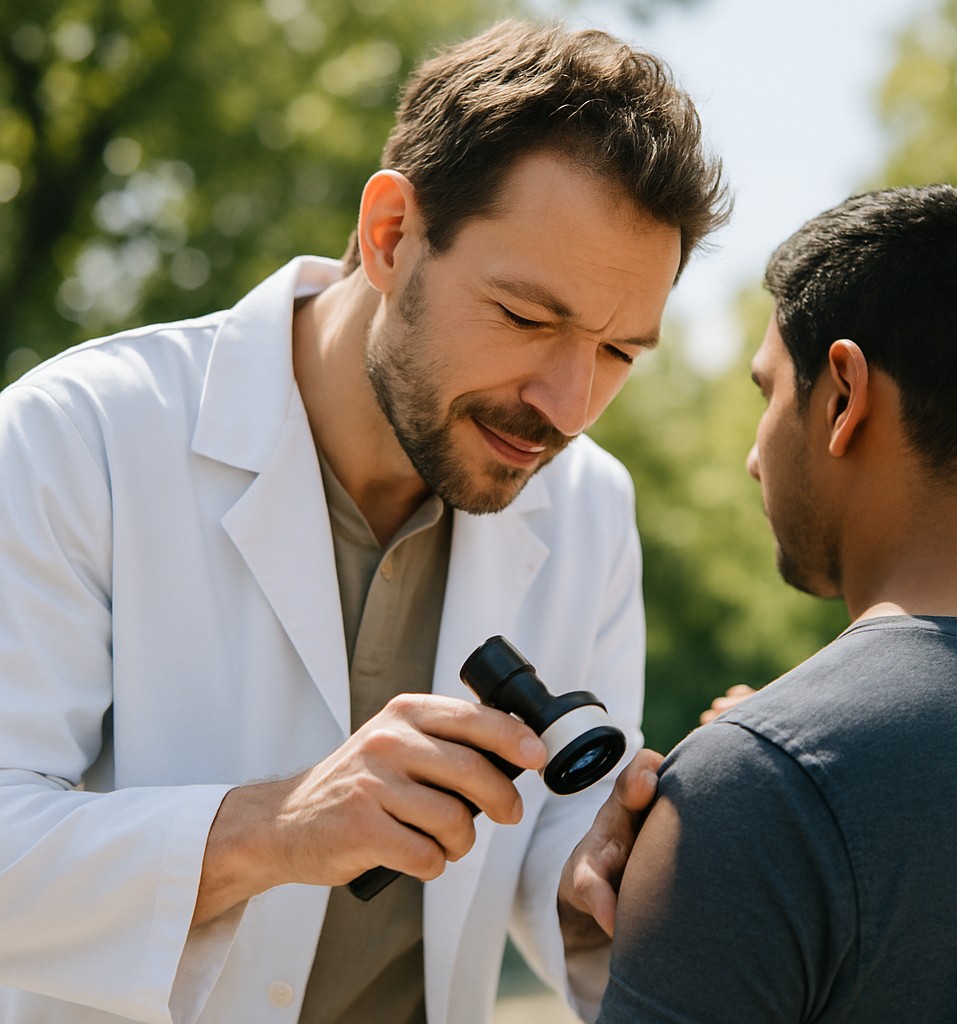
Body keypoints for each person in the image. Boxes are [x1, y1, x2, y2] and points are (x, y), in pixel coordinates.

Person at [0, 18, 728, 1024]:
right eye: (527, 317)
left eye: (617, 352)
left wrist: (607, 879)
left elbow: (550, 846)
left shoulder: (591, 505)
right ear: (391, 235)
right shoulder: (79, 436)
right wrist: (272, 829)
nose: (567, 402)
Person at [597, 184, 957, 1023]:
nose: (756, 456)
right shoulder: (772, 776)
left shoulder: (758, 789)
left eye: (765, 394)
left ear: (842, 396)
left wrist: (763, 779)